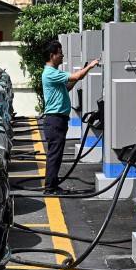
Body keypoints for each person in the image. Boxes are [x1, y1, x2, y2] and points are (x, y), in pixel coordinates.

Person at [40, 40, 99, 194]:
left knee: (56, 155)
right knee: (54, 155)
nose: (63, 56)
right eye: (60, 53)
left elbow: (68, 85)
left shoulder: (53, 73)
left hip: (58, 119)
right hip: (55, 119)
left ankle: (52, 185)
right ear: (52, 56)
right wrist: (90, 66)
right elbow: (76, 76)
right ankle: (50, 188)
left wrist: (80, 75)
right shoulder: (50, 72)